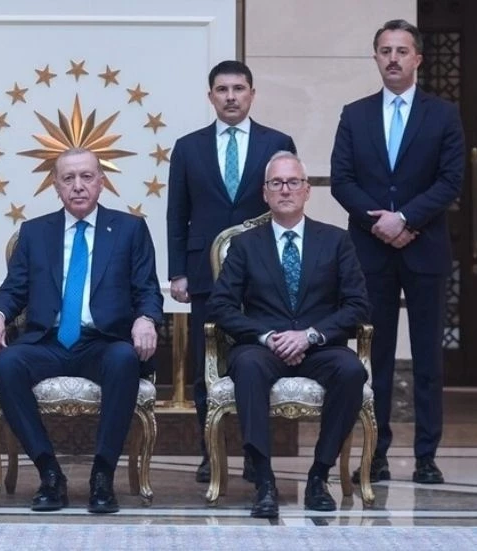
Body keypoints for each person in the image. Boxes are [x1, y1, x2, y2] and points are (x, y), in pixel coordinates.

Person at [0, 148, 163, 514]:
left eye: (86, 177)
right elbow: (13, 289)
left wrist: (146, 319)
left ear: (101, 182)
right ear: (56, 185)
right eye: (68, 178)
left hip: (103, 342)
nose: (78, 186)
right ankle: (49, 472)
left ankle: (102, 475)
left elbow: (147, 290)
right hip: (48, 342)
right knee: (5, 365)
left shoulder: (129, 229)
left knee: (124, 359)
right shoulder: (35, 232)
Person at [330, 19, 464, 485]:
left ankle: (426, 456)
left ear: (417, 59)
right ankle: (376, 453)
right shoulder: (355, 114)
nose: (393, 58)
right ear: (375, 58)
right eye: (385, 50)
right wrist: (379, 223)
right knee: (374, 358)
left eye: (402, 51)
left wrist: (405, 219)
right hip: (371, 253)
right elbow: (342, 179)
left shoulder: (443, 114)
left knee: (427, 359)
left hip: (425, 250)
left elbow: (451, 180)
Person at [208, 151, 370, 518]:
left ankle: (319, 475)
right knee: (247, 368)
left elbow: (358, 305)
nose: (285, 190)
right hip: (262, 347)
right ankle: (264, 481)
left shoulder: (336, 240)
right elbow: (221, 306)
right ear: (265, 193)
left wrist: (310, 335)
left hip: (319, 346)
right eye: (277, 183)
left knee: (351, 371)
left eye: (293, 182)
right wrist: (267, 336)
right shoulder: (245, 245)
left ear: (306, 190)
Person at [166, 60, 296, 483]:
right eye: (222, 90)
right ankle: (211, 453)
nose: (231, 97)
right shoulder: (188, 147)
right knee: (208, 365)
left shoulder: (277, 142)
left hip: (263, 275)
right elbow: (177, 214)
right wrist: (178, 272)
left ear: (252, 94)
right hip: (205, 274)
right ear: (211, 97)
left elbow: (287, 206)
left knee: (258, 363)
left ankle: (256, 455)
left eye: (239, 88)